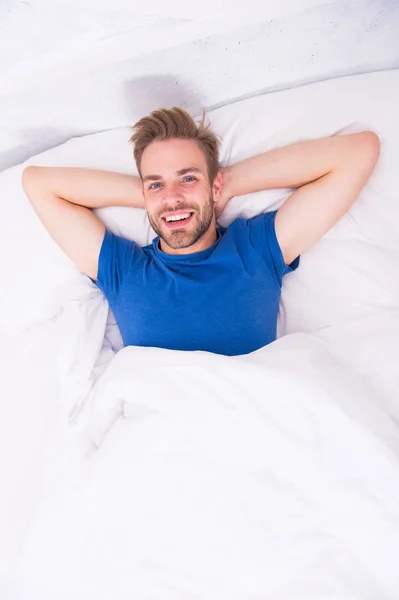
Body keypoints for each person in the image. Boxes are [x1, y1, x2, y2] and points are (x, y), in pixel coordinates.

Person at [22, 107, 380, 356]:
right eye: (156, 184)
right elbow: (37, 183)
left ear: (214, 183)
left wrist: (224, 185)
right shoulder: (124, 270)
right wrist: (159, 197)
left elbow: (359, 151)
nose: (174, 198)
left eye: (188, 177)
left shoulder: (256, 250)